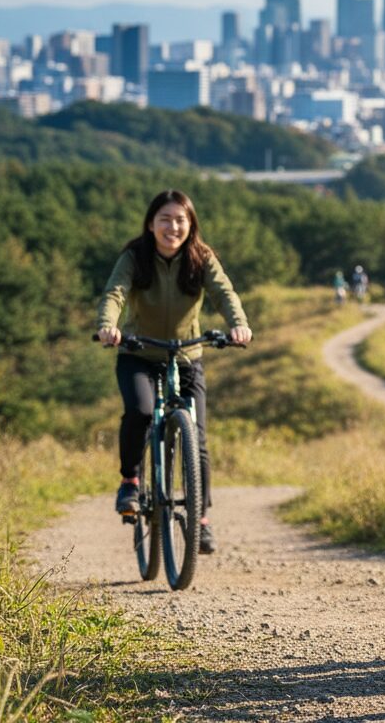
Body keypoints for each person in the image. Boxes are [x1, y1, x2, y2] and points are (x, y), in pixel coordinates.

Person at [96, 189, 252, 556]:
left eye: (181, 220)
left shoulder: (202, 258)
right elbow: (115, 293)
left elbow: (224, 293)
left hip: (185, 357)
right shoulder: (135, 257)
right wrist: (108, 325)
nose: (173, 227)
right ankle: (131, 481)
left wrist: (239, 325)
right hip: (138, 353)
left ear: (191, 224)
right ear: (151, 224)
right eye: (164, 219)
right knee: (141, 412)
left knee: (197, 437)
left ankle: (201, 519)